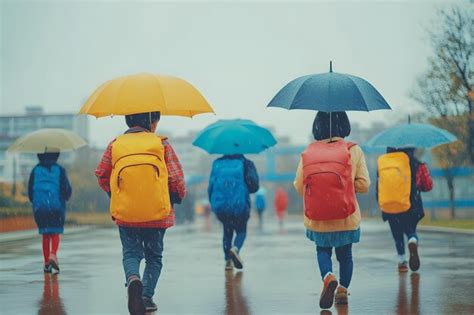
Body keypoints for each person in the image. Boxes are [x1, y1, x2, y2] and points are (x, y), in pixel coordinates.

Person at [95, 111, 185, 314]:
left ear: (128, 120)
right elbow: (176, 179)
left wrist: (115, 192)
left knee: (131, 254)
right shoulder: (161, 144)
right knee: (154, 257)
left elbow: (101, 174)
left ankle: (133, 279)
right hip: (157, 213)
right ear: (151, 122)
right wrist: (177, 196)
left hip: (127, 214)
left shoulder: (115, 144)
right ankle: (145, 296)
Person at [294, 112, 370, 309]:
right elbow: (364, 185)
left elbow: (299, 186)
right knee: (346, 255)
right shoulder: (353, 150)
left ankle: (328, 277)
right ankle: (343, 290)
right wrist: (345, 186)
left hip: (319, 218)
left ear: (316, 126)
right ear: (344, 124)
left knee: (322, 250)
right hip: (346, 215)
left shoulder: (309, 152)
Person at [377, 147, 433, 273]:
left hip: (390, 205)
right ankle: (412, 240)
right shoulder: (415, 163)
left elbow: (379, 186)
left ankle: (402, 261)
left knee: (397, 236)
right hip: (410, 204)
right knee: (410, 230)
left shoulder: (383, 163)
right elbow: (427, 185)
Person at [208, 154, 259, 271]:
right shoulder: (246, 163)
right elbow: (254, 186)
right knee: (241, 231)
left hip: (221, 205)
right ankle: (235, 248)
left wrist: (213, 203)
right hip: (239, 204)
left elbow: (211, 186)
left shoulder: (217, 163)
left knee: (227, 232)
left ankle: (228, 261)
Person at [28, 151, 72, 274]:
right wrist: (65, 198)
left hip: (40, 207)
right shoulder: (60, 170)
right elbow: (66, 190)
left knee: (45, 234)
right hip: (56, 206)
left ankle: (46, 263)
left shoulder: (35, 170)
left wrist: (37, 203)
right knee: (55, 232)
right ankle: (53, 254)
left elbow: (30, 191)